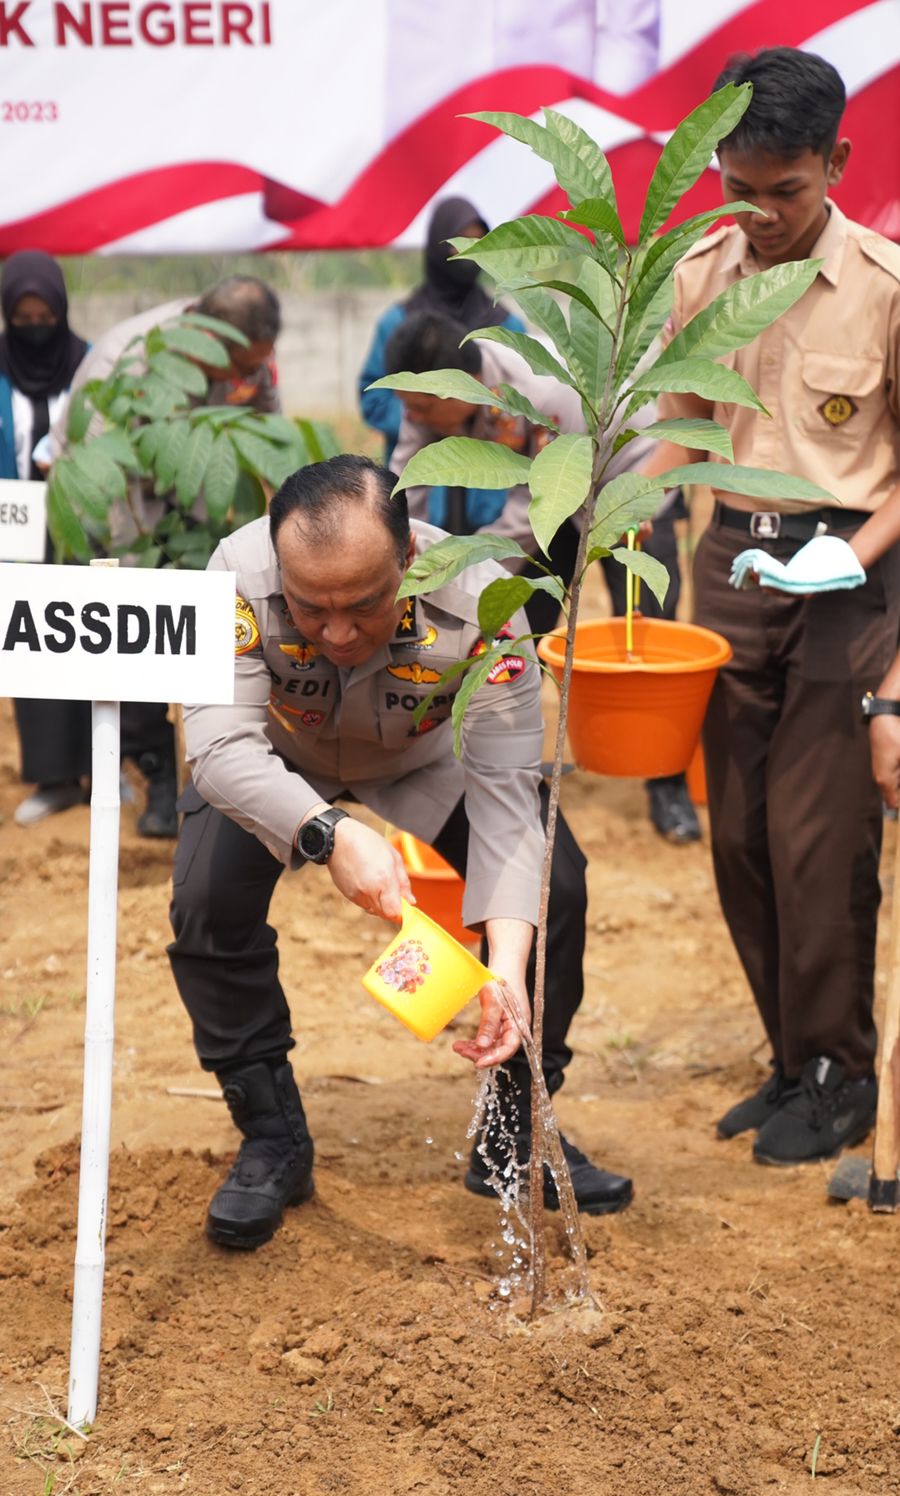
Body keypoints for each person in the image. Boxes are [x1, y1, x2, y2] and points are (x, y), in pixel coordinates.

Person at [167, 454, 633, 1250]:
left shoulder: (489, 598)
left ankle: (513, 1130)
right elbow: (216, 748)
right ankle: (272, 1139)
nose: (338, 633)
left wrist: (507, 968)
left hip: (427, 759)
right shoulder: (235, 574)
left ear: (410, 558)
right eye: (311, 610)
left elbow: (507, 796)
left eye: (365, 605)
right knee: (207, 906)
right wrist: (328, 833)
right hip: (277, 768)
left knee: (560, 889)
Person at [643, 47, 900, 1164]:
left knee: (815, 837)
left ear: (835, 163)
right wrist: (617, 503)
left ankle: (842, 1075)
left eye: (782, 190)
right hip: (729, 578)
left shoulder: (885, 291)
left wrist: (848, 554)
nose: (757, 213)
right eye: (734, 188)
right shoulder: (704, 274)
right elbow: (681, 422)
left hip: (847, 581)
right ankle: (790, 1059)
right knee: (739, 835)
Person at [384, 308, 701, 842]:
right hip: (555, 500)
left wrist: (459, 575)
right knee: (517, 625)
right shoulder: (430, 399)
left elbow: (537, 510)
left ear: (452, 394)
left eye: (418, 409)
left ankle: (666, 786)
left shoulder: (541, 391)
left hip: (631, 482)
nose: (412, 419)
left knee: (646, 625)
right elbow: (406, 482)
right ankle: (508, 762)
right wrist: (390, 549)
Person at [48, 275, 283, 838]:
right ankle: (156, 778)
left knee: (224, 636)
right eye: (237, 367)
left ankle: (213, 781)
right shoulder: (127, 363)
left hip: (193, 502)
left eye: (255, 365)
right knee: (141, 648)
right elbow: (112, 486)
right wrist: (147, 579)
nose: (243, 379)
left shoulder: (246, 357)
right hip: (110, 510)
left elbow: (269, 429)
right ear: (208, 332)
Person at [0, 252, 91, 825]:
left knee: (89, 638)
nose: (36, 325)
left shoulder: (87, 363)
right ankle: (54, 777)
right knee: (32, 643)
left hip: (80, 524)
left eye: (44, 315)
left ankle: (99, 765)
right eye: (24, 315)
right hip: (14, 525)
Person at [358, 196, 524, 464]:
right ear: (439, 246)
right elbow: (373, 396)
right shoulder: (399, 323)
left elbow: (523, 396)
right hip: (418, 460)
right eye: (459, 243)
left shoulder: (505, 325)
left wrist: (472, 416)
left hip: (489, 464)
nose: (467, 255)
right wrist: (426, 415)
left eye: (478, 244)